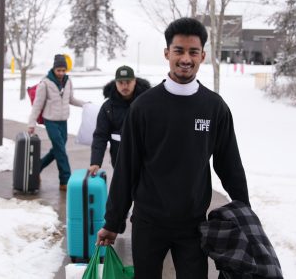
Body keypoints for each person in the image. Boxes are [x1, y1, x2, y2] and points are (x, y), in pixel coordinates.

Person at [96, 17, 250, 279]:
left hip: (193, 224)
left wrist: (245, 213)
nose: (186, 58)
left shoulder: (214, 108)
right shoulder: (144, 107)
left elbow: (230, 165)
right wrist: (113, 222)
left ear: (203, 55)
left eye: (193, 51)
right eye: (179, 50)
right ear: (167, 53)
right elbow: (126, 168)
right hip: (148, 223)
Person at [28, 54, 86, 191]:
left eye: (63, 70)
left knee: (57, 149)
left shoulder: (68, 81)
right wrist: (31, 123)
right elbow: (37, 105)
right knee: (60, 149)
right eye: (58, 70)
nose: (61, 73)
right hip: (51, 121)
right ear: (54, 69)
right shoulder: (45, 83)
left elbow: (71, 99)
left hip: (63, 121)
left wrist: (85, 104)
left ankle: (37, 168)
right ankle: (65, 180)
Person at [88, 65, 150, 176]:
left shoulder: (147, 102)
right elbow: (100, 135)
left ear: (134, 81)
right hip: (119, 160)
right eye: (121, 83)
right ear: (115, 83)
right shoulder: (107, 108)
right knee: (122, 191)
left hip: (144, 159)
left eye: (128, 82)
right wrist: (95, 162)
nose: (124, 86)